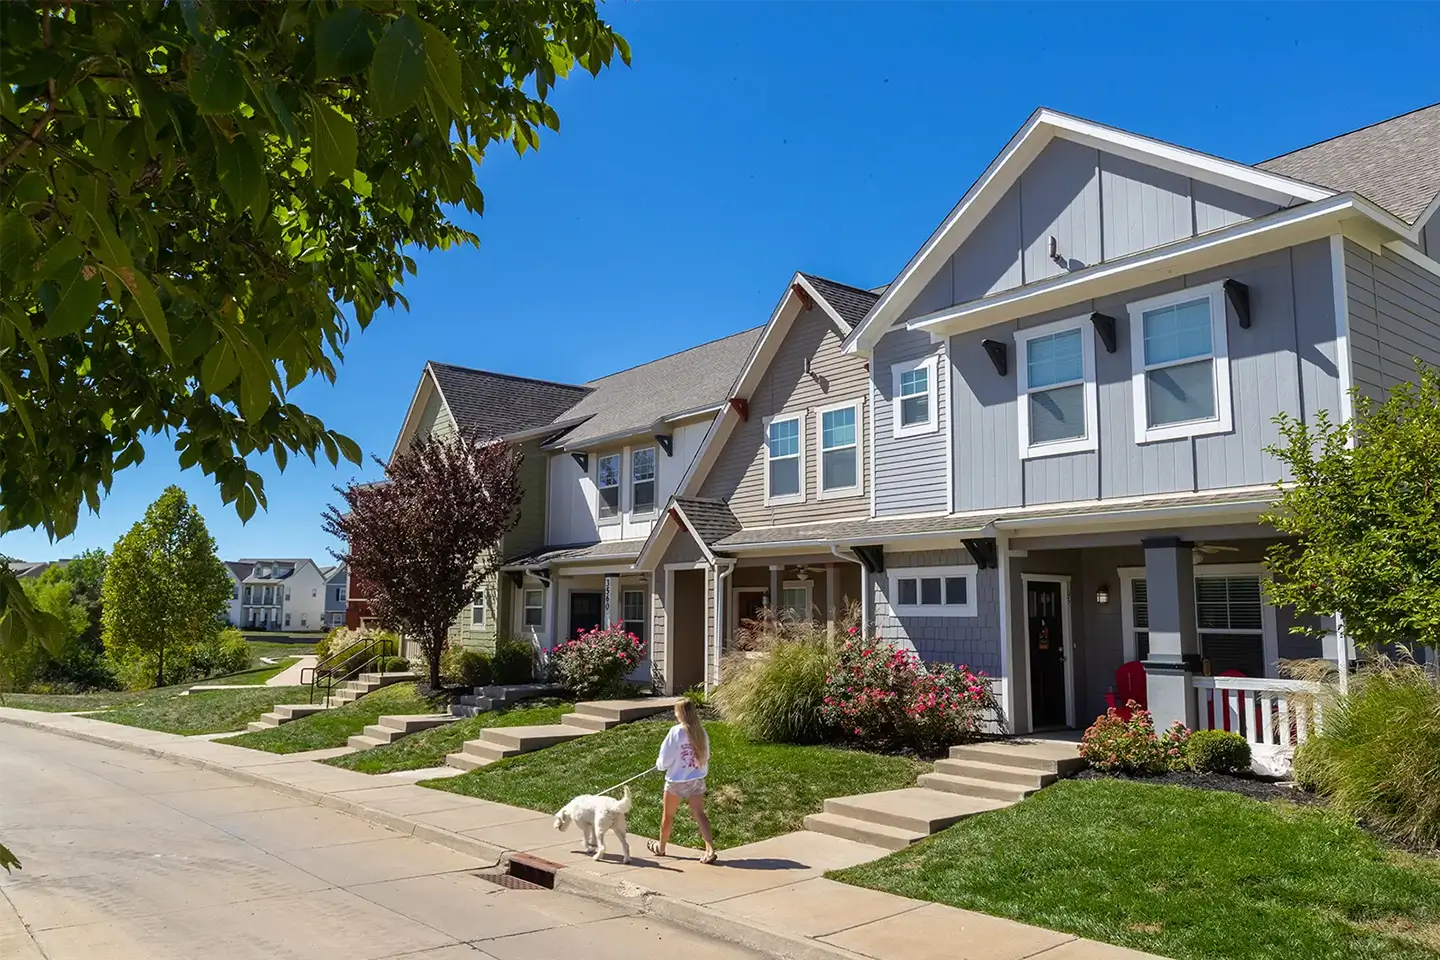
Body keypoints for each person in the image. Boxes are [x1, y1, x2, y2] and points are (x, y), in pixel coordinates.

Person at [647, 699, 717, 864]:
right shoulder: (701, 731)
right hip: (696, 779)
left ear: (681, 713)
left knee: (668, 815)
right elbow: (706, 756)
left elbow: (665, 758)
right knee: (699, 814)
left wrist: (660, 765)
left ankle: (661, 847)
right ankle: (710, 848)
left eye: (676, 711)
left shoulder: (676, 732)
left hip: (676, 780)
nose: (675, 714)